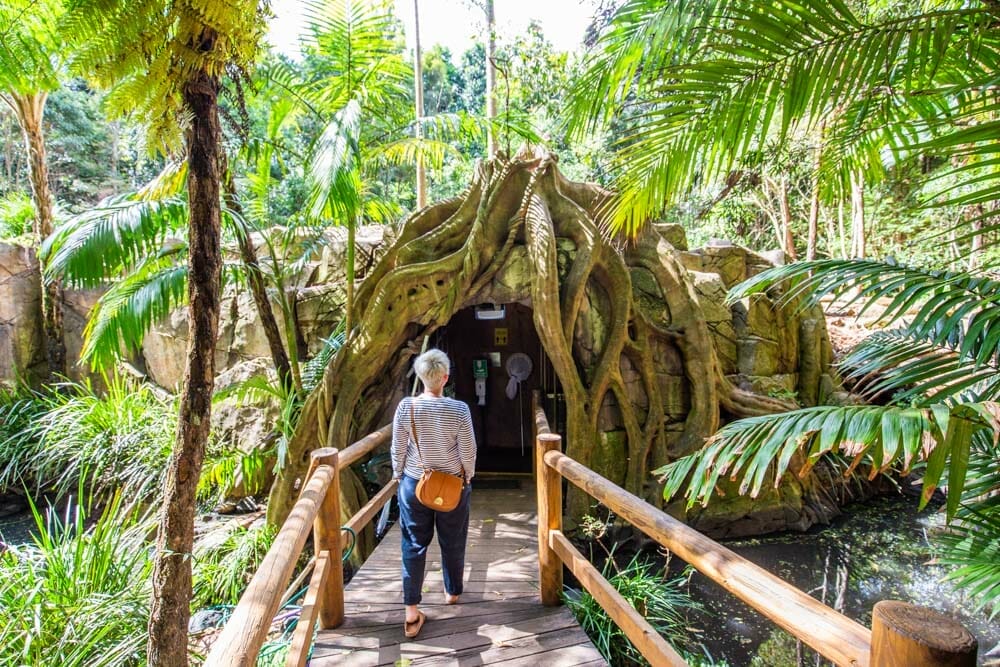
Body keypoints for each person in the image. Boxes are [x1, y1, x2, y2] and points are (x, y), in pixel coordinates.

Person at [391, 348, 476, 639]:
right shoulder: (459, 409)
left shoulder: (407, 407)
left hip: (415, 485)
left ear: (421, 376)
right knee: (453, 540)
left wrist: (397, 474)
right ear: (445, 377)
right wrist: (468, 476)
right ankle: (452, 593)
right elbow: (468, 450)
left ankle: (411, 612)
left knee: (413, 544)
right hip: (452, 485)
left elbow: (398, 447)